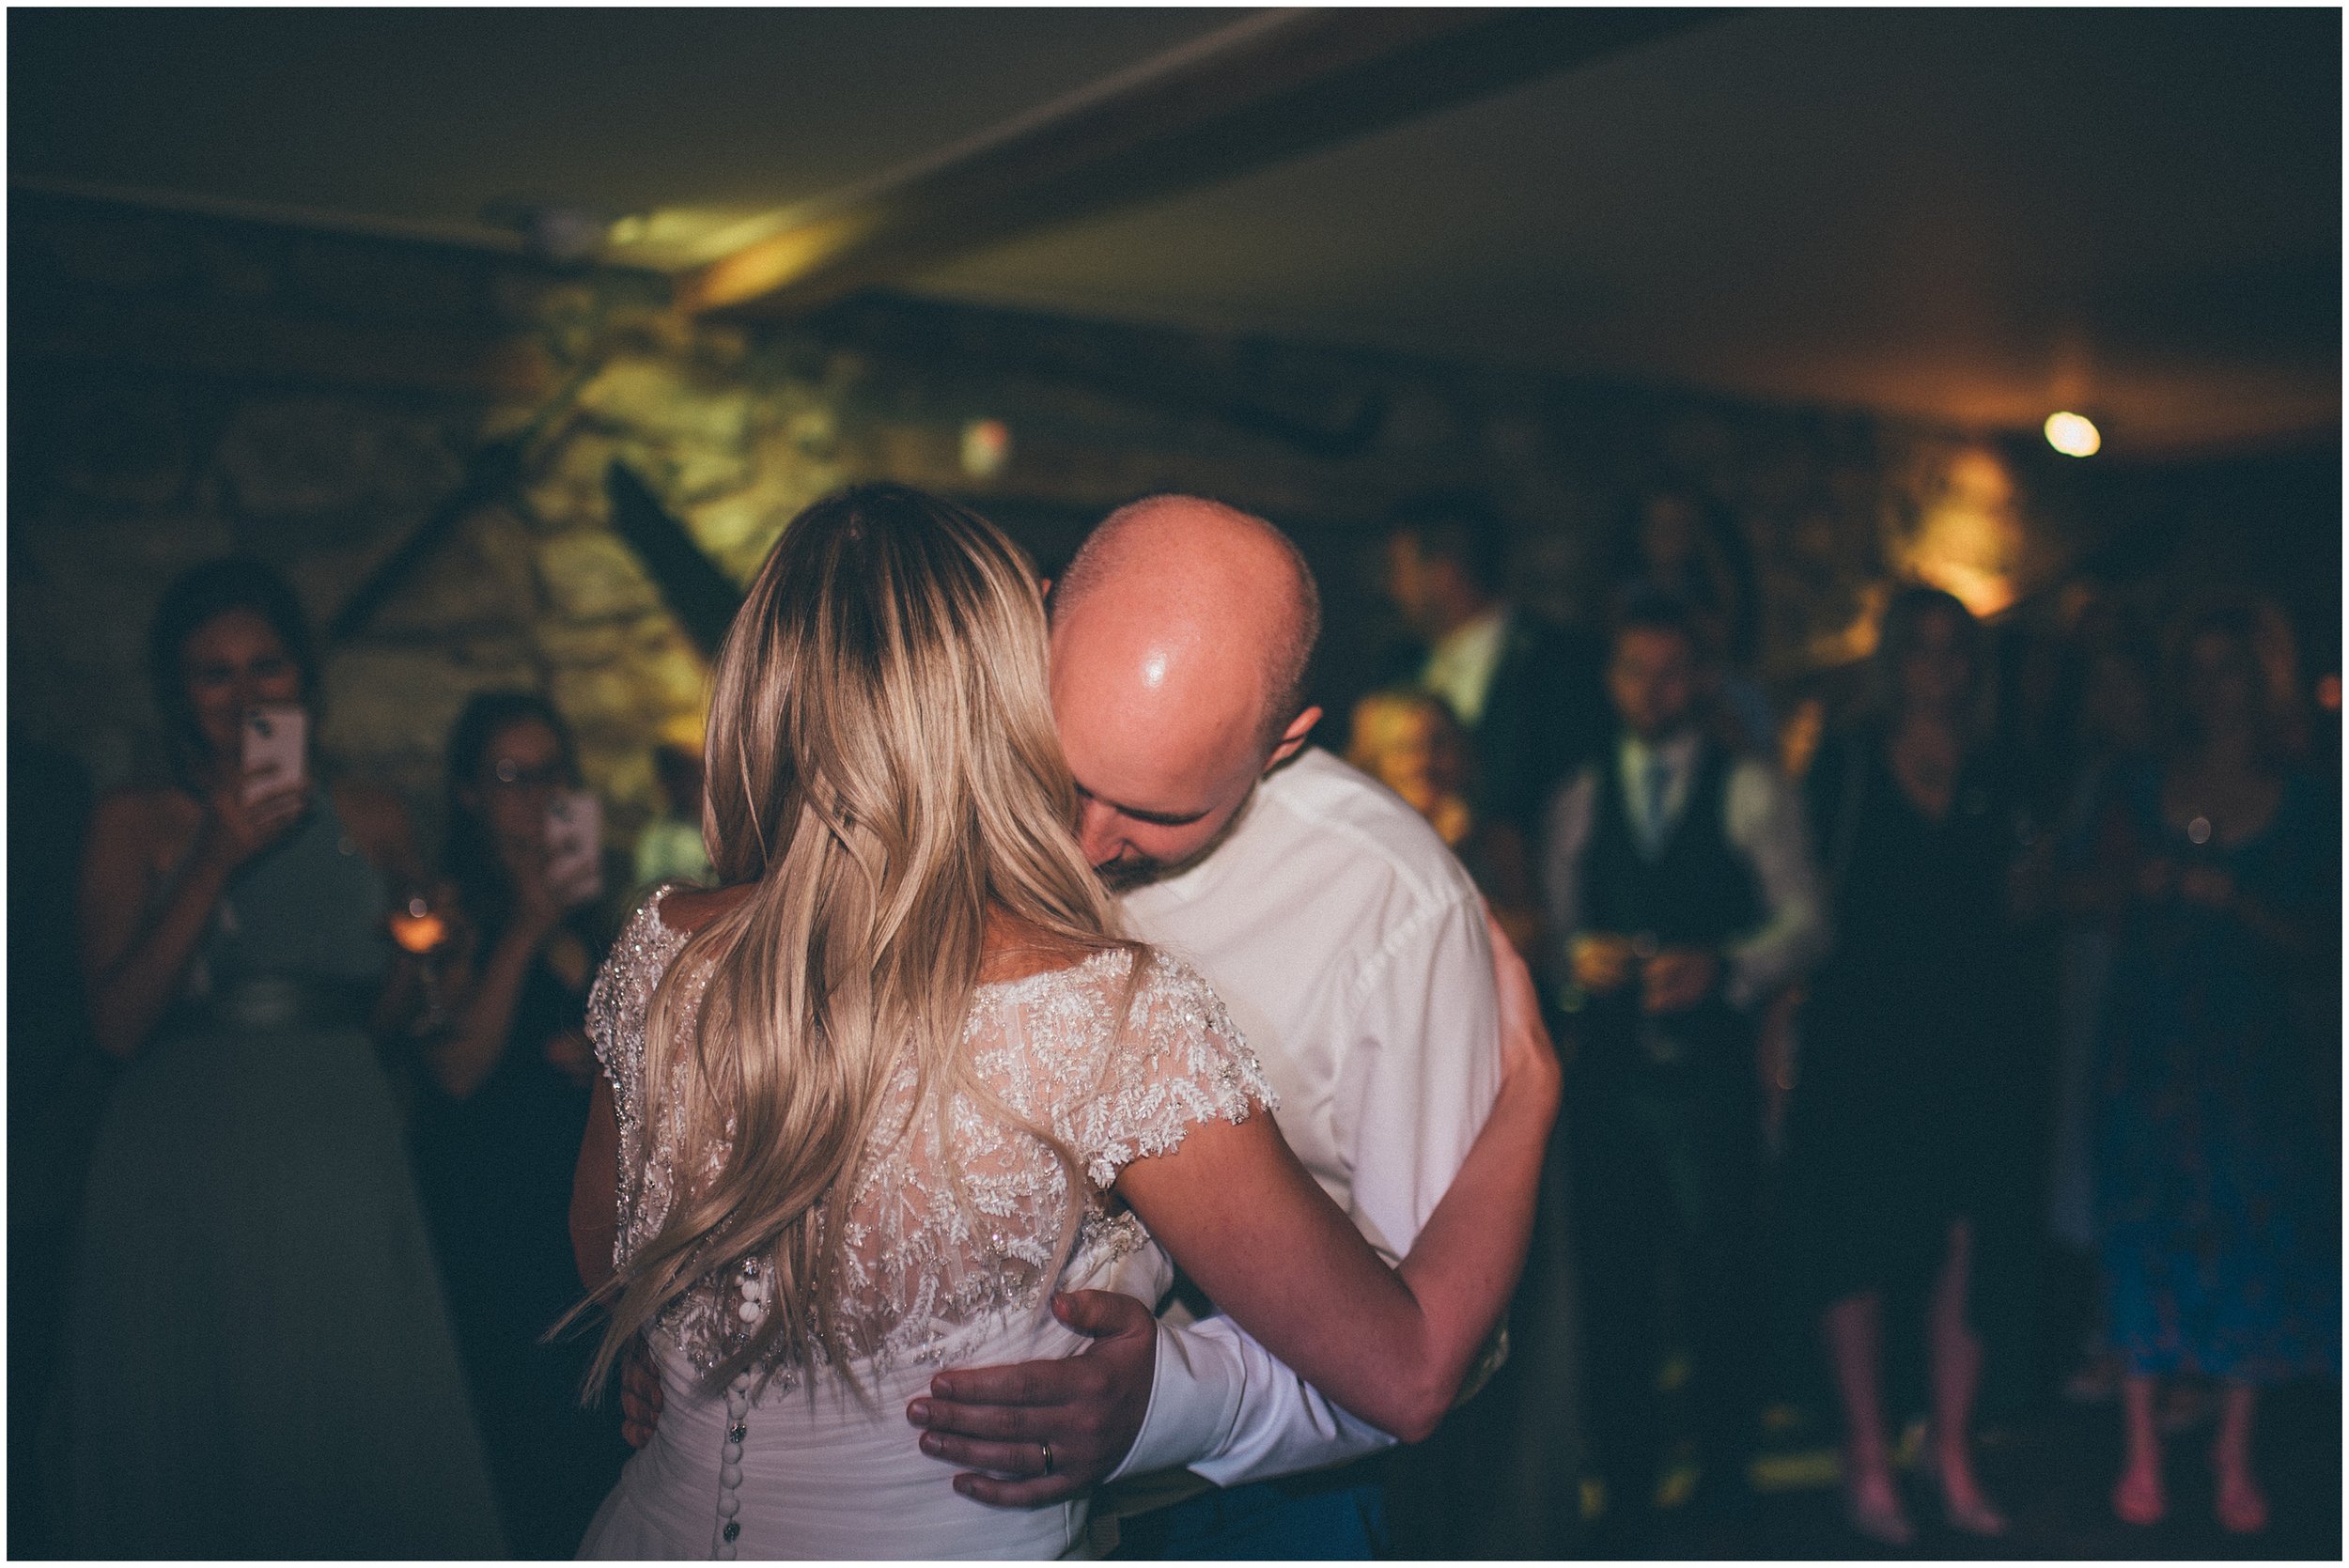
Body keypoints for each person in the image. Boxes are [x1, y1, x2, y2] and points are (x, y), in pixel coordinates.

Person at [568, 485, 1560, 1560]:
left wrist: (1174, 1398)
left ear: (1281, 742)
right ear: (1022, 638)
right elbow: (637, 1279)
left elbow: (1421, 1365)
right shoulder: (1087, 997)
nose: (1082, 844)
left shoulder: (1391, 910)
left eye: (1157, 812)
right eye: (1063, 772)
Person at [57, 557, 505, 1556]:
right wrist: (216, 856)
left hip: (339, 1138)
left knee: (345, 1404)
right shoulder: (132, 820)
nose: (246, 695)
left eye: (267, 666)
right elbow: (114, 1025)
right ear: (178, 691)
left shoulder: (370, 814)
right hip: (187, 1152)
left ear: (303, 677)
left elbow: (387, 1018)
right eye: (214, 673)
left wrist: (423, 946)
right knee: (201, 1407)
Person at [1541, 591, 1828, 1552]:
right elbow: (1553, 927)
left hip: (1710, 1079)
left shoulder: (1750, 788)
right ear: (1611, 678)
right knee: (1615, 1290)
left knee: (1721, 1282)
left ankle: (1723, 1475)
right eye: (1633, 669)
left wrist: (1728, 967)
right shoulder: (1581, 791)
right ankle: (1624, 1489)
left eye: (1670, 670)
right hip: (1612, 1086)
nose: (1650, 688)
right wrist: (1578, 960)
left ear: (1700, 679)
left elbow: (1807, 920)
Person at [2084, 598, 2338, 1534]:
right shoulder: (2138, 779)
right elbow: (2060, 881)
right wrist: (2127, 884)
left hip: (2248, 1049)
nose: (2208, 686)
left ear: (2256, 678)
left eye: (2225, 666)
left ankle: (2235, 1447)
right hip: (2147, 1041)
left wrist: (2235, 901)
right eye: (2192, 668)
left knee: (2251, 1234)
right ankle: (2139, 1448)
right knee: (2140, 1226)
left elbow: (2322, 937)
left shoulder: (2308, 796)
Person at [1781, 586, 2021, 1545]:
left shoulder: (2002, 770)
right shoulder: (1842, 762)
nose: (1939, 666)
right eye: (1919, 647)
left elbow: (2013, 898)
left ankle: (1949, 1444)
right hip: (1862, 1031)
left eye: (1954, 648)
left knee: (1968, 1232)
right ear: (1893, 659)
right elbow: (1806, 897)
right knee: (1860, 1238)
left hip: (1975, 1031)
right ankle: (1866, 1448)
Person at [409, 691, 629, 1556]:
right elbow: (454, 1066)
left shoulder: (594, 909)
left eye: (549, 775)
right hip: (488, 1212)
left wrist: (603, 1053)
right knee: (512, 1447)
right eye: (509, 776)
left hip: (573, 1213)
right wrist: (529, 922)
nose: (533, 796)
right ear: (468, 792)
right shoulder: (450, 908)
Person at [1382, 491, 1610, 842]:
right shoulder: (1398, 665)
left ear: (1444, 574)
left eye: (1401, 571)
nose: (1393, 589)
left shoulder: (1559, 662)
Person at [1346, 686, 1539, 955]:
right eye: (1404, 748)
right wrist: (1444, 854)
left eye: (1437, 744)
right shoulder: (1359, 847)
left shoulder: (1495, 842)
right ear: (1376, 763)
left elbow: (1530, 945)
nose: (1423, 762)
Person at [632, 718, 714, 893]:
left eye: (698, 774)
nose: (691, 784)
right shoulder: (659, 840)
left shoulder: (729, 825)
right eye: (679, 775)